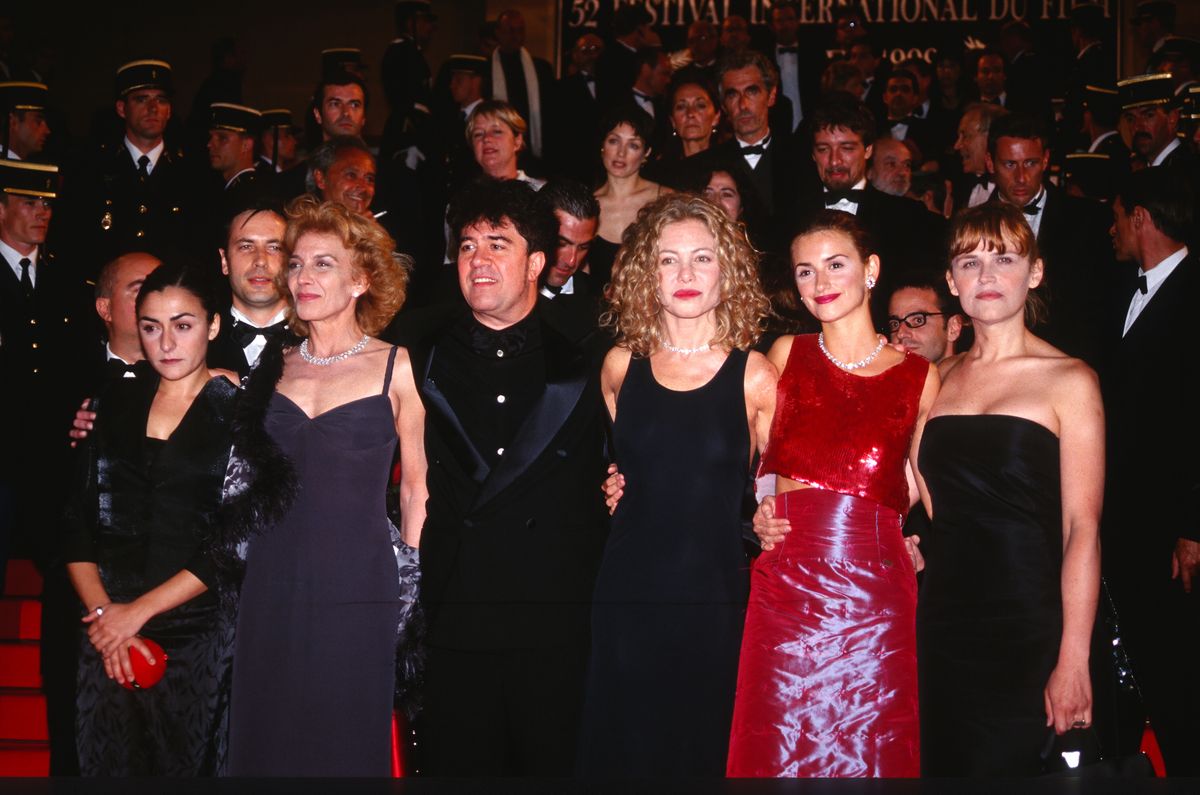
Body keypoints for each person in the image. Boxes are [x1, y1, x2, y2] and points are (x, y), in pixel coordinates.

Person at [730, 210, 938, 777]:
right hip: (788, 580)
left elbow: (923, 483)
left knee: (869, 746)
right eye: (804, 272)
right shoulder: (783, 354)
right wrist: (760, 510)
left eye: (835, 264)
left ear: (871, 270)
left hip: (876, 590)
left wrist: (905, 534)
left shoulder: (920, 375)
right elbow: (754, 462)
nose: (820, 284)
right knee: (778, 745)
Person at [414, 179, 609, 776]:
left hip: (552, 610)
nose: (479, 259)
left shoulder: (588, 355)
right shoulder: (419, 349)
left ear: (536, 263)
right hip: (455, 606)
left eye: (498, 244)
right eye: (468, 245)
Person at [226, 196, 426, 776]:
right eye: (297, 263)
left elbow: (416, 490)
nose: (302, 276)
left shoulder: (398, 366)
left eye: (323, 264)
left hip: (359, 578)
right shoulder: (276, 365)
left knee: (342, 734)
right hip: (270, 573)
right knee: (267, 730)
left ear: (361, 278)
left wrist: (410, 590)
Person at [578, 194, 775, 776]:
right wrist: (610, 485)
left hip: (713, 595)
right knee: (628, 748)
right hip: (626, 591)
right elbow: (626, 467)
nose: (685, 275)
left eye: (702, 258)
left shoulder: (757, 374)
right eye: (668, 260)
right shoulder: (620, 365)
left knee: (701, 750)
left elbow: (775, 489)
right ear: (647, 274)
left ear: (728, 271)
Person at [916, 202, 1103, 776]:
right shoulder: (934, 380)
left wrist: (1074, 655)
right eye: (969, 263)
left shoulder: (1070, 379)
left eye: (1004, 258)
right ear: (952, 283)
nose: (987, 276)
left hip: (1028, 625)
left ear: (1035, 272)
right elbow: (908, 495)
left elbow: (1083, 528)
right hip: (940, 621)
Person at [63, 261, 239, 776]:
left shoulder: (240, 413)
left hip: (196, 632)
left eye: (182, 325)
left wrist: (135, 615)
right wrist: (105, 618)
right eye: (150, 326)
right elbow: (75, 524)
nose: (166, 342)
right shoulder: (110, 402)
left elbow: (233, 542)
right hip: (105, 628)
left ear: (212, 325)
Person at [1103, 169, 1198, 774]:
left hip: (1175, 534)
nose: (1110, 232)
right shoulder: (1126, 290)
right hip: (1135, 529)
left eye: (1116, 218)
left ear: (1141, 218)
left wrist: (1194, 526)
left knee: (1180, 673)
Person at [591, 103, 664, 288]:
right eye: (614, 141)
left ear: (646, 152)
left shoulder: (664, 199)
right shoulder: (588, 205)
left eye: (633, 145)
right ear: (602, 145)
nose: (621, 153)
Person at [643, 75, 720, 190]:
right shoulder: (656, 174)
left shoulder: (730, 166)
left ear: (716, 117)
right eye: (681, 107)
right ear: (673, 121)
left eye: (700, 106)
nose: (690, 113)